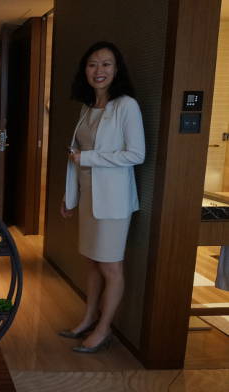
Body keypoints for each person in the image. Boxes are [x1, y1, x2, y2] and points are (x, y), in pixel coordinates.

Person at [59, 41, 145, 353]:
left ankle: (104, 328)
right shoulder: (87, 108)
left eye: (106, 64)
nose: (99, 70)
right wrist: (69, 196)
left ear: (116, 69)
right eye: (93, 64)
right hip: (89, 199)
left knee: (110, 266)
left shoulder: (126, 106)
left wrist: (89, 158)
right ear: (85, 70)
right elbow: (75, 157)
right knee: (92, 263)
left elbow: (136, 154)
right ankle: (88, 318)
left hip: (113, 201)